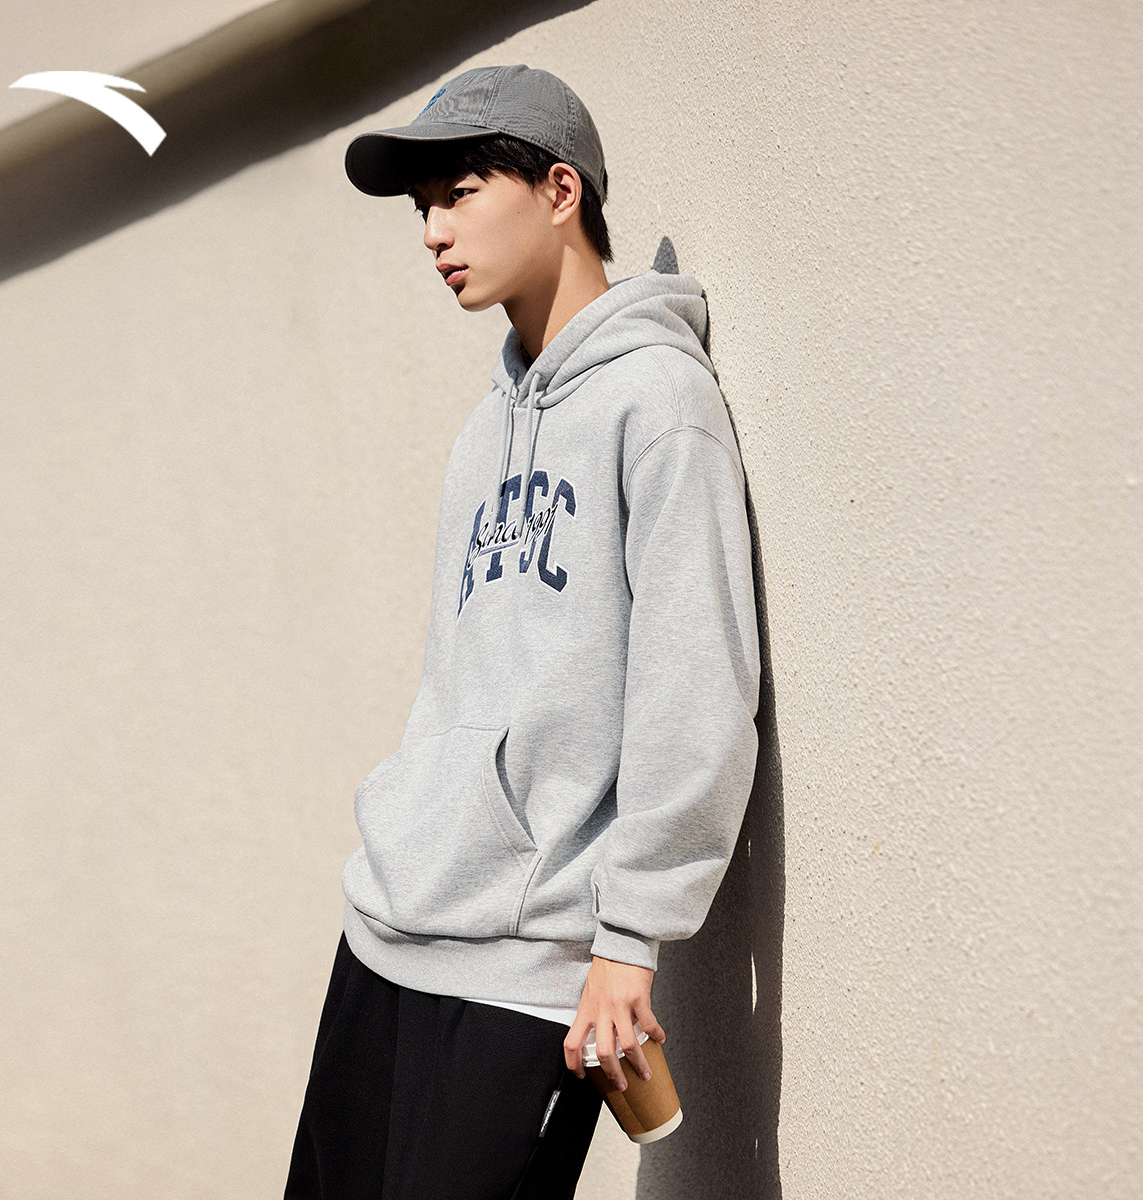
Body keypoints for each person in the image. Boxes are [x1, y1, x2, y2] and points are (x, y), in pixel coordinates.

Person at [284, 64, 760, 1200]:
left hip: (527, 973)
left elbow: (696, 687)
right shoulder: (480, 435)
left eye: (459, 193)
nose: (434, 231)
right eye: (424, 208)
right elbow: (462, 683)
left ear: (559, 191)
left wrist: (629, 941)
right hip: (387, 932)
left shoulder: (659, 404)